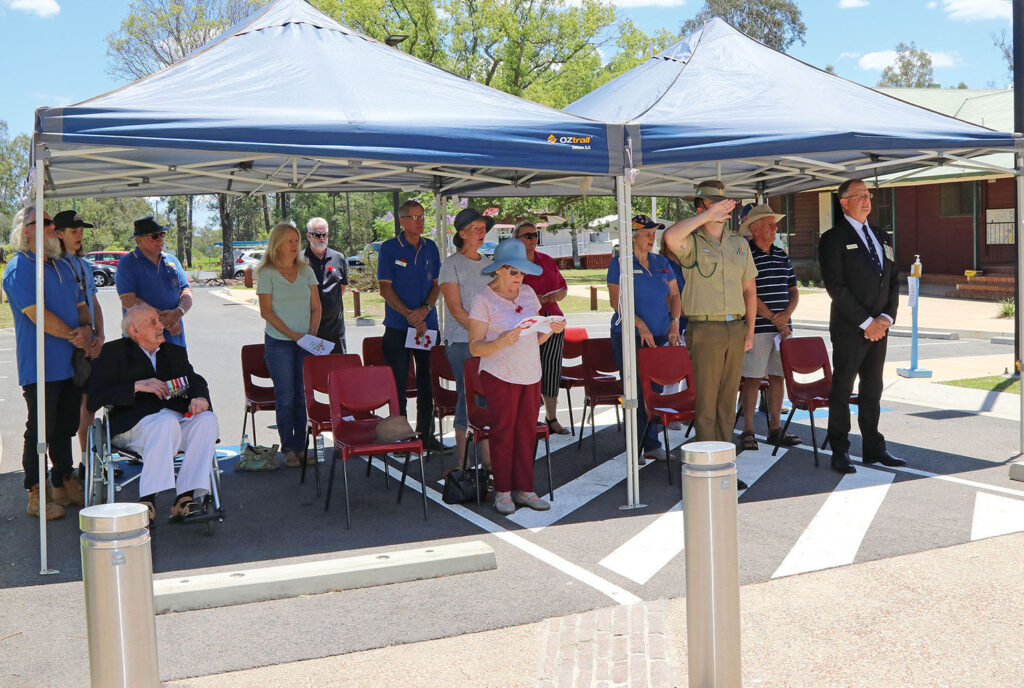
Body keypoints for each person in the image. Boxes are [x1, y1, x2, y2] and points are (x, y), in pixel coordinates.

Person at [662, 180, 754, 487]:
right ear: (701, 207)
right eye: (716, 204)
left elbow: (749, 289)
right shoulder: (692, 240)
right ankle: (705, 471)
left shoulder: (739, 243)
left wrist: (750, 330)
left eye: (725, 203)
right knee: (706, 404)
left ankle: (724, 466)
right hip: (705, 328)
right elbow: (670, 236)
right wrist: (706, 216)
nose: (724, 208)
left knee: (728, 403)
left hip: (736, 327)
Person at [88, 305, 218, 522]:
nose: (161, 326)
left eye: (159, 321)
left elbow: (195, 381)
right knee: (165, 422)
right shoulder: (113, 353)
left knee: (207, 420)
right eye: (153, 323)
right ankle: (146, 500)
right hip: (133, 427)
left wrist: (200, 398)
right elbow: (94, 397)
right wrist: (136, 386)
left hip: (173, 423)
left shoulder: (174, 353)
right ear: (134, 331)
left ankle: (185, 498)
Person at [3, 207, 92, 519]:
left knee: (65, 427)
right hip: (39, 367)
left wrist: (88, 330)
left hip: (69, 365)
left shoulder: (63, 266)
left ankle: (63, 482)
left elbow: (82, 305)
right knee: (40, 429)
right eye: (43, 222)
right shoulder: (19, 267)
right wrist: (75, 335)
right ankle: (36, 492)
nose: (53, 227)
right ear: (26, 230)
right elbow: (35, 313)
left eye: (52, 222)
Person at [469, 239, 565, 515]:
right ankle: (502, 492)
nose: (519, 278)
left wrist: (551, 329)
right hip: (499, 374)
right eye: (514, 272)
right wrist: (499, 342)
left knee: (526, 434)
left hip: (530, 372)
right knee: (503, 433)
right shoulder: (482, 300)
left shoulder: (528, 294)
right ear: (498, 270)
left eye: (522, 272)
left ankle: (525, 489)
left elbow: (534, 339)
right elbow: (475, 346)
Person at [818, 179, 904, 474]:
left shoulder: (882, 236)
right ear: (843, 202)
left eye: (868, 195)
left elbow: (894, 281)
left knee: (873, 389)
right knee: (842, 389)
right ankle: (840, 449)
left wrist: (886, 319)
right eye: (860, 196)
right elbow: (836, 287)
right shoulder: (833, 238)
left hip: (880, 328)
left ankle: (873, 447)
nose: (867, 200)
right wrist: (867, 322)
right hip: (850, 328)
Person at [607, 215, 682, 461]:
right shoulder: (620, 264)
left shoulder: (661, 261)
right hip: (629, 337)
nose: (652, 237)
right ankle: (635, 446)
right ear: (633, 236)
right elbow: (616, 301)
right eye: (648, 233)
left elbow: (674, 295)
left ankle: (651, 443)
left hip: (659, 336)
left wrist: (674, 323)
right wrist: (639, 325)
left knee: (655, 391)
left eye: (654, 233)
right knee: (637, 393)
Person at [376, 200, 445, 452]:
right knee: (398, 384)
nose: (420, 221)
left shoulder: (431, 248)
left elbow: (437, 284)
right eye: (414, 217)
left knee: (428, 382)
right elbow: (385, 288)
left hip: (428, 326)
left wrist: (424, 310)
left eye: (422, 216)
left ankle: (426, 435)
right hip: (398, 327)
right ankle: (400, 436)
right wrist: (409, 315)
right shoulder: (390, 248)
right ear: (402, 221)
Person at [256, 222, 321, 467]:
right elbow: (266, 312)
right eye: (290, 241)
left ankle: (302, 447)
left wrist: (311, 334)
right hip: (279, 342)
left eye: (297, 241)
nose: (296, 246)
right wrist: (294, 335)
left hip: (305, 341)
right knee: (285, 396)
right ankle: (289, 448)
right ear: (278, 245)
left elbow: (317, 306)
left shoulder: (306, 271)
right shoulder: (267, 273)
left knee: (303, 396)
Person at [737, 205, 801, 451]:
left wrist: (786, 316)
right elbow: (747, 293)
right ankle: (749, 430)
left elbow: (793, 290)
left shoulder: (781, 254)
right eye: (770, 225)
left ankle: (775, 429)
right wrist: (776, 318)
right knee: (752, 379)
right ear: (754, 229)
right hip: (759, 327)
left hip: (782, 328)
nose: (775, 229)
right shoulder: (746, 254)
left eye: (775, 224)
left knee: (778, 377)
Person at [438, 207, 494, 467]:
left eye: (483, 228)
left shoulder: (488, 264)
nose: (482, 232)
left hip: (485, 343)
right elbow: (456, 309)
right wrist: (479, 334)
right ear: (461, 233)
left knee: (484, 398)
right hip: (461, 341)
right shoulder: (450, 265)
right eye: (476, 228)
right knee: (466, 396)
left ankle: (487, 461)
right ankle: (461, 463)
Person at [54, 210, 106, 469]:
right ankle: (72, 465)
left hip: (91, 343)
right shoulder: (54, 265)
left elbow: (94, 303)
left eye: (81, 232)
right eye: (74, 232)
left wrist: (101, 335)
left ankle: (88, 461)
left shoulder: (85, 265)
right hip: (70, 344)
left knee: (90, 404)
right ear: (58, 234)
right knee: (72, 408)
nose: (79, 236)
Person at [515, 221, 571, 435]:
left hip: (552, 320)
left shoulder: (546, 261)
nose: (532, 239)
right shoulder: (513, 264)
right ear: (516, 239)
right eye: (527, 235)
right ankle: (527, 419)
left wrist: (553, 296)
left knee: (551, 369)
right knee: (526, 371)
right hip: (525, 324)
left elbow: (563, 288)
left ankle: (552, 418)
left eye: (535, 235)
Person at [115, 216, 192, 348]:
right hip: (143, 344)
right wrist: (164, 320)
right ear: (138, 240)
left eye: (162, 234)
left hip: (174, 341)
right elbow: (128, 300)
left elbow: (186, 291)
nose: (160, 239)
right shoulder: (127, 263)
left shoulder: (172, 260)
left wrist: (178, 312)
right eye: (154, 236)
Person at [304, 217, 349, 354]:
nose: (322, 238)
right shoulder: (299, 260)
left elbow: (342, 287)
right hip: (310, 330)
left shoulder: (338, 258)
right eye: (318, 235)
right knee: (313, 373)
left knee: (339, 371)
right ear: (309, 236)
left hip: (335, 330)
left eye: (325, 235)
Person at [658, 231, 688, 429]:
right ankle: (669, 412)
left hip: (688, 322)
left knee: (688, 370)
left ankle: (684, 409)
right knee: (672, 372)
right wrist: (680, 316)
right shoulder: (662, 263)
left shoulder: (684, 263)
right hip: (673, 323)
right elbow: (668, 296)